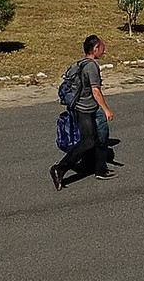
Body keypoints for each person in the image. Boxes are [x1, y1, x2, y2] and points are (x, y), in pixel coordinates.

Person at [50, 35, 114, 189]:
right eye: (102, 47)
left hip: (82, 107)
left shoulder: (79, 63)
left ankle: (100, 169)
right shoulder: (91, 66)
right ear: (95, 49)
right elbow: (95, 91)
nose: (104, 50)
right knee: (88, 141)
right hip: (85, 109)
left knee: (96, 138)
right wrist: (106, 110)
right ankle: (60, 168)